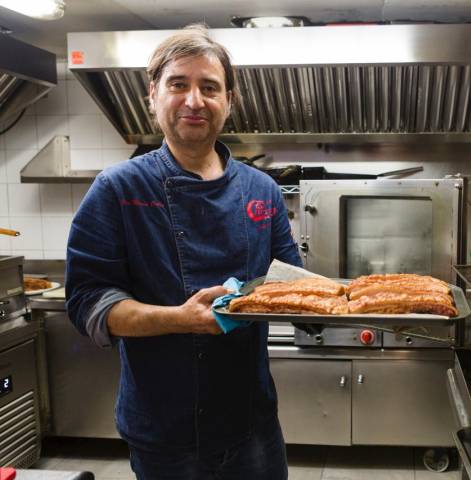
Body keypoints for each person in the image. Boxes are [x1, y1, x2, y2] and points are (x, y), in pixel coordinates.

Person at [65, 24, 301, 479]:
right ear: (152, 95)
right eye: (179, 84)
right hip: (164, 430)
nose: (194, 100)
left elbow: (291, 280)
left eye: (209, 87)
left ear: (228, 101)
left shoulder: (262, 190)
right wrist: (179, 319)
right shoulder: (118, 189)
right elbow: (87, 302)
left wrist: (340, 303)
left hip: (252, 422)